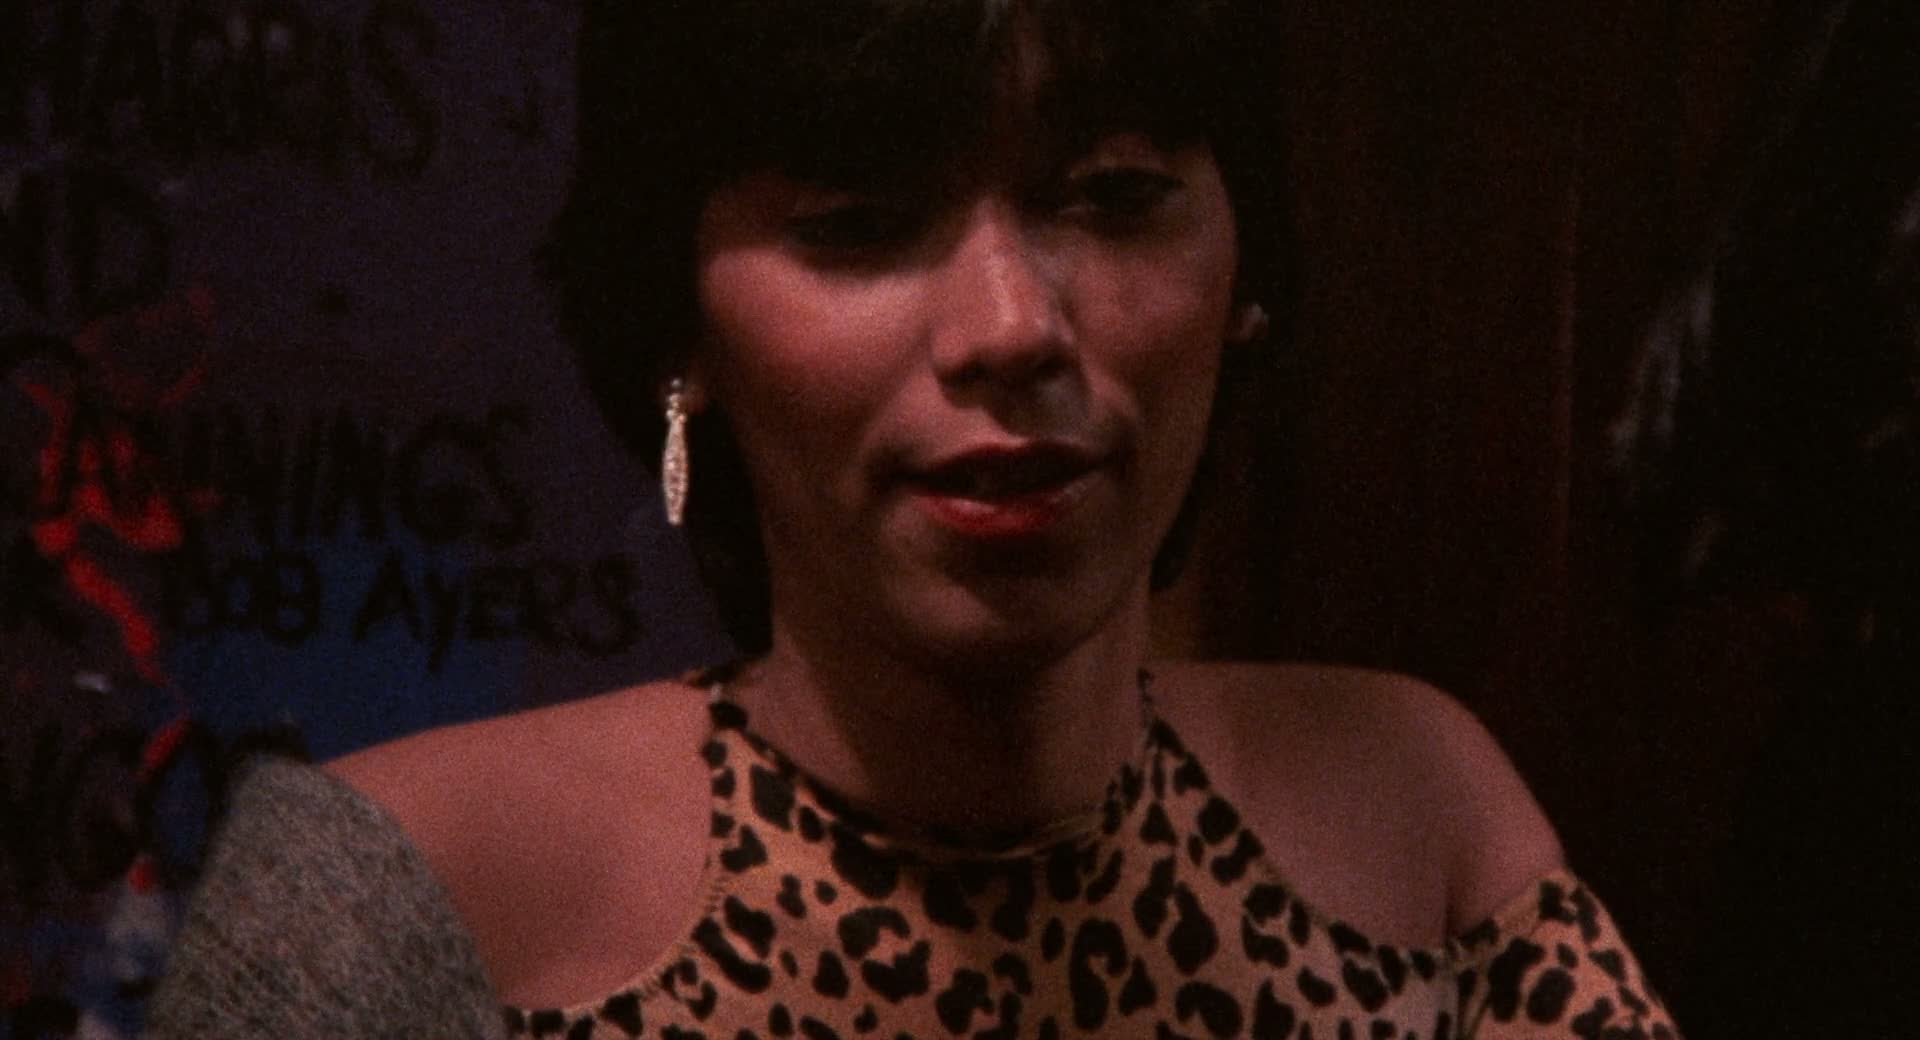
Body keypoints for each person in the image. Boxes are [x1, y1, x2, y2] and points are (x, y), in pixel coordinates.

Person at [147, 1, 1680, 1037]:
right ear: (677, 320)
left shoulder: (1412, 818)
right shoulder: (400, 896)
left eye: (1116, 193)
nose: (1011, 325)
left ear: (1249, 276)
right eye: (862, 224)